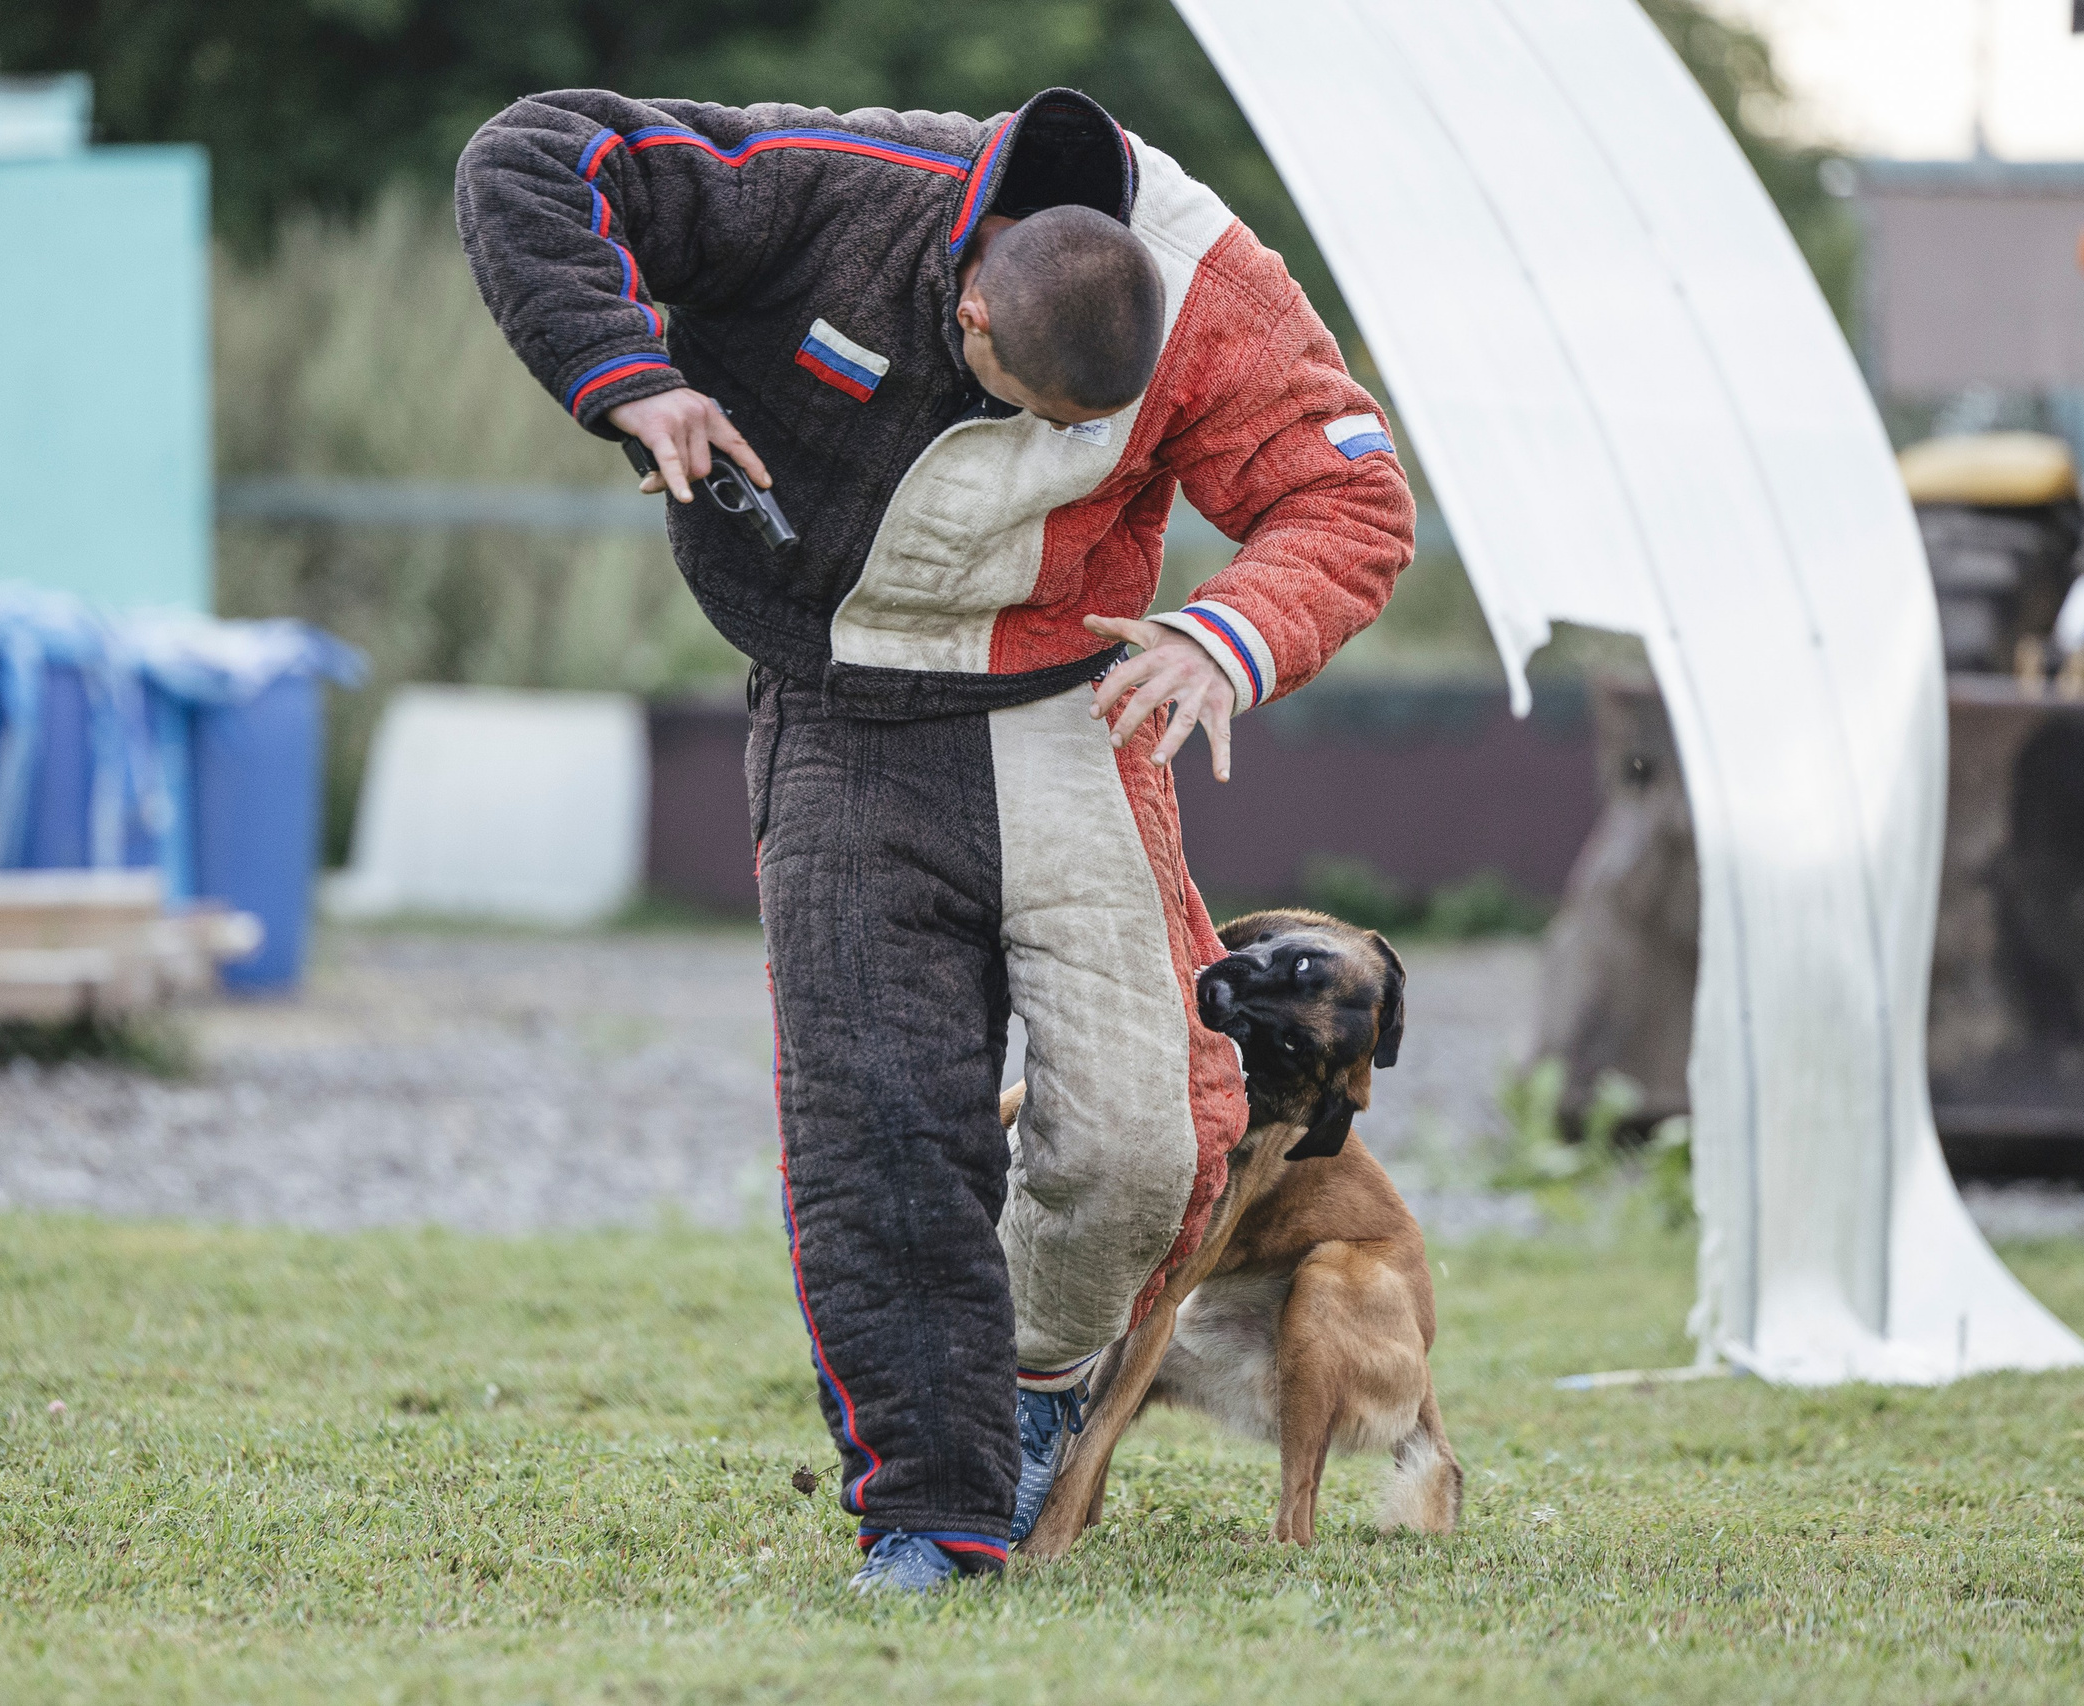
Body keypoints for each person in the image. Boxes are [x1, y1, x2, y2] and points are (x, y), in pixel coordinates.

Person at [457, 85, 1413, 1592]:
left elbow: (1351, 498)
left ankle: (1034, 1381)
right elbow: (534, 156)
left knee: (1145, 1140)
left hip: (1068, 706)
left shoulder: (1218, 289)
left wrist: (1230, 635)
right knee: (885, 1123)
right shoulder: (829, 190)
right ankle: (935, 1504)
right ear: (967, 304)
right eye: (1036, 403)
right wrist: (625, 375)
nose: (1059, 444)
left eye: (1093, 426)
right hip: (842, 711)